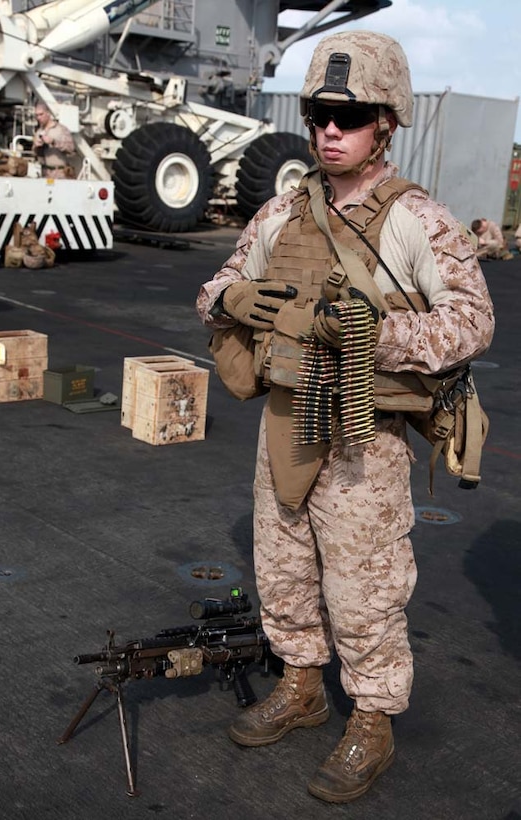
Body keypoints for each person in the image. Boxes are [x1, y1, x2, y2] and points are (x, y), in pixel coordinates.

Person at [196, 31, 495, 804]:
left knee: (364, 591)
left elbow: (470, 321)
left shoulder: (414, 219)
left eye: (352, 114)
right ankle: (300, 685)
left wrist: (374, 332)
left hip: (363, 438)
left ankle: (372, 719)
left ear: (384, 125)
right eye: (321, 114)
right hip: (284, 425)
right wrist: (229, 297)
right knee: (285, 573)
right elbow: (217, 284)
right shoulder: (282, 211)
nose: (332, 129)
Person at [33, 102, 76, 178]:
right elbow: (36, 155)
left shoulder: (61, 129)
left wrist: (53, 142)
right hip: (46, 173)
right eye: (37, 115)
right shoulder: (39, 131)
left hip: (61, 172)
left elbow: (71, 148)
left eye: (41, 114)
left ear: (48, 113)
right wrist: (37, 147)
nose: (39, 118)